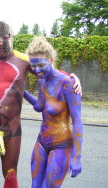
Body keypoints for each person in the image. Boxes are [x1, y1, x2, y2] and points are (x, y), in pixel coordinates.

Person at [0, 21, 82, 188]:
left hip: (14, 129)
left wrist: (72, 76)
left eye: (5, 37)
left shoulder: (23, 60)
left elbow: (49, 70)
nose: (0, 42)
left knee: (11, 175)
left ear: (11, 36)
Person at [23, 36, 83, 187]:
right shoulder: (42, 80)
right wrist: (21, 92)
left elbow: (77, 121)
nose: (36, 70)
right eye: (33, 66)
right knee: (35, 185)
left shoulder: (68, 84)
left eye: (41, 65)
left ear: (51, 60)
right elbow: (39, 106)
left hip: (61, 145)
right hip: (42, 141)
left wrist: (76, 156)